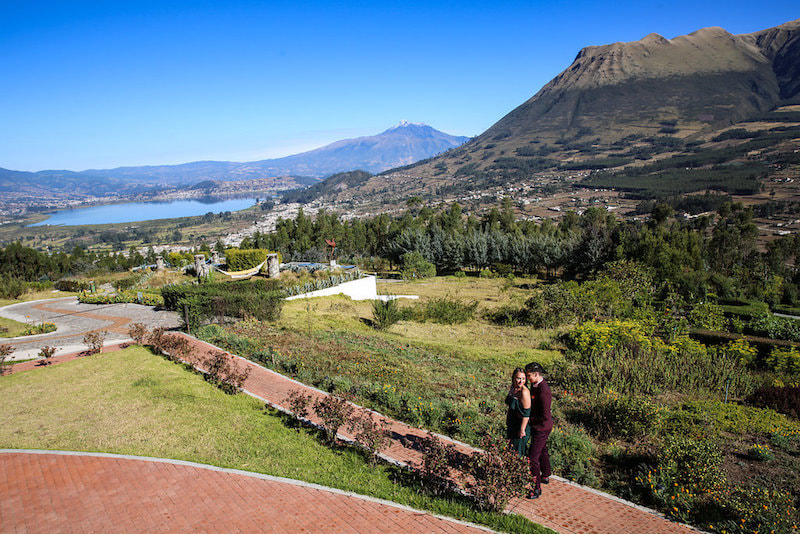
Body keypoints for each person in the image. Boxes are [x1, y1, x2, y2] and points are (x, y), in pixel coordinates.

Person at [525, 362, 552, 499]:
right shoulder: (535, 385)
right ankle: (546, 475)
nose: (527, 378)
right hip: (540, 425)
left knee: (533, 458)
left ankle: (536, 488)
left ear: (536, 374)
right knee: (542, 450)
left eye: (528, 376)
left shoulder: (543, 392)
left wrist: (530, 420)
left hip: (542, 427)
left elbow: (545, 415)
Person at [505, 367, 532, 456]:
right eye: (519, 378)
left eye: (523, 379)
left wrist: (522, 429)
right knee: (510, 450)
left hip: (520, 427)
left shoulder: (524, 392)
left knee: (517, 452)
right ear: (514, 378)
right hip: (513, 424)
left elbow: (526, 414)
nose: (521, 381)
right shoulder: (514, 388)